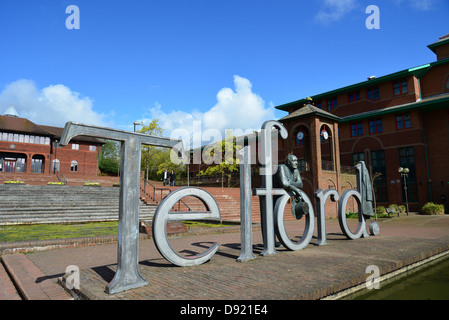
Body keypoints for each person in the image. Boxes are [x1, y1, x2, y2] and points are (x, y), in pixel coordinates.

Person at [273, 154, 308, 219]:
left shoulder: (296, 170)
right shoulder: (281, 167)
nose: (297, 163)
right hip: (272, 195)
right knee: (271, 218)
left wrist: (290, 183)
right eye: (294, 161)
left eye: (297, 161)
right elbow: (284, 184)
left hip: (281, 195)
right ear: (288, 162)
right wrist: (296, 190)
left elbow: (300, 184)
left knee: (276, 218)